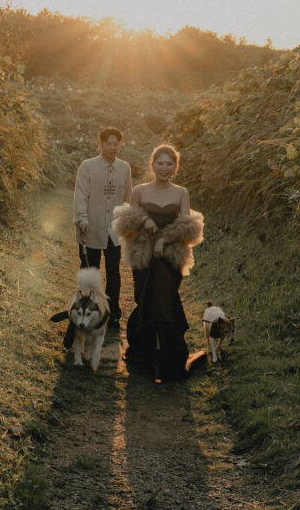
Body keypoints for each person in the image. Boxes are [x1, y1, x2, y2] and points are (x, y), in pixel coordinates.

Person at [112, 144, 204, 381]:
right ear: (152, 165)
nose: (164, 168)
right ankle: (144, 353)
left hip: (169, 254)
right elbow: (128, 216)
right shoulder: (141, 191)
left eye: (169, 164)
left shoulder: (181, 192)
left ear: (175, 167)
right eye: (160, 163)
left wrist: (164, 239)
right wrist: (145, 220)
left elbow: (188, 224)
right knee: (144, 298)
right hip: (143, 252)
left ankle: (170, 360)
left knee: (164, 300)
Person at [74, 127, 133, 328]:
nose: (112, 147)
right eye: (109, 143)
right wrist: (81, 218)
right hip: (91, 226)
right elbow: (81, 194)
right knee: (90, 270)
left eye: (116, 144)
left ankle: (112, 312)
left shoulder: (124, 168)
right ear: (100, 144)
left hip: (113, 229)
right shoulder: (87, 167)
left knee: (113, 272)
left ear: (119, 145)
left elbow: (128, 197)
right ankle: (86, 311)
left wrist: (126, 221)